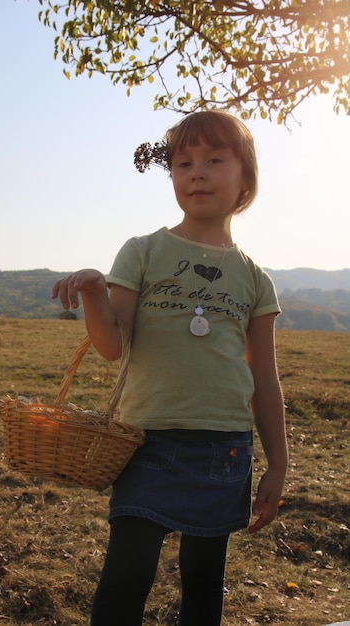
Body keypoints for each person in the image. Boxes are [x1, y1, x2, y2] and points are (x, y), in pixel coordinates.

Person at [52, 110, 288, 626]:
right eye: (183, 163)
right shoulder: (143, 251)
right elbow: (113, 345)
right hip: (145, 444)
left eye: (213, 160)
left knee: (203, 585)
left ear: (245, 178)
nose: (195, 172)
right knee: (124, 580)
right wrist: (95, 295)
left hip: (223, 450)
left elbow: (265, 380)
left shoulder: (256, 280)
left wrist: (278, 462)